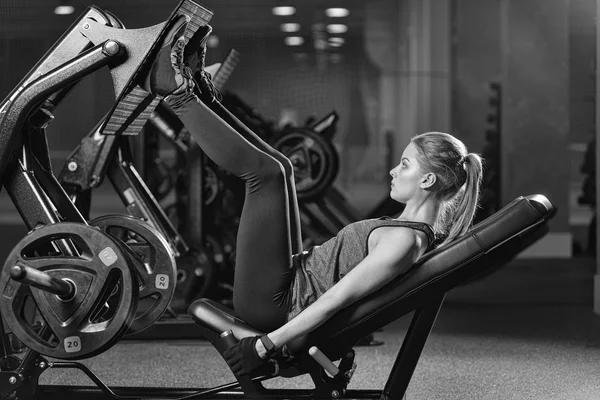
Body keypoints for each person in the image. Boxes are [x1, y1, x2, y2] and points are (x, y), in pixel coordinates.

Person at [140, 16, 483, 377]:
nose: (393, 171)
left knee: (266, 176)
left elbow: (338, 299)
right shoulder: (406, 232)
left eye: (405, 164)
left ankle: (176, 91)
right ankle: (202, 94)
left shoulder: (404, 241)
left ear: (428, 179)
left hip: (276, 302)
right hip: (286, 282)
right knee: (282, 168)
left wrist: (266, 344)